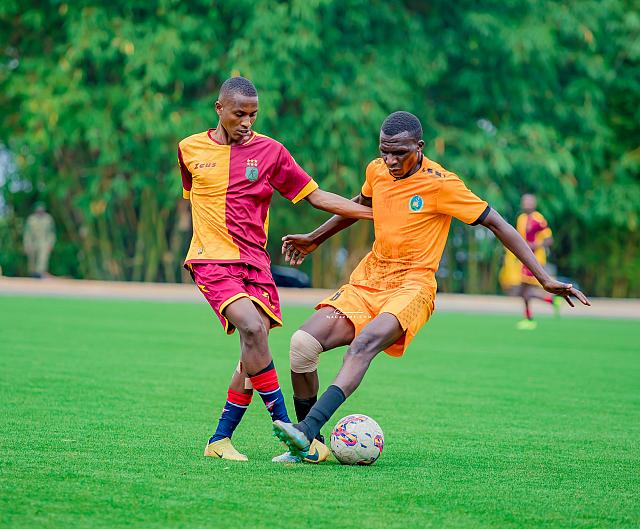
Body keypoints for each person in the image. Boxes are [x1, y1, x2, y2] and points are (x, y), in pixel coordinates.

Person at [272, 111, 590, 461]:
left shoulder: (442, 184)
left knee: (363, 345)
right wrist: (315, 238)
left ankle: (306, 428)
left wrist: (544, 278)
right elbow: (359, 205)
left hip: (413, 286)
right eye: (384, 152)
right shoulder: (376, 171)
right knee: (302, 345)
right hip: (369, 279)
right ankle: (309, 447)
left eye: (400, 153)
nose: (390, 161)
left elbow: (497, 223)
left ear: (419, 147)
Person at [178, 76, 372, 461]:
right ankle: (293, 432)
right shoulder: (188, 149)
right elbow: (195, 198)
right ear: (219, 109)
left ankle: (219, 440)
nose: (247, 122)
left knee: (254, 351)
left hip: (256, 264)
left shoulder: (271, 151)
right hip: (211, 261)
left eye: (253, 114)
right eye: (239, 114)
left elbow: (316, 196)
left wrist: (372, 214)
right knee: (252, 329)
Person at [514, 194, 560, 330]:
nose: (526, 204)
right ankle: (548, 302)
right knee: (523, 290)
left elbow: (549, 240)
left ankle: (531, 317)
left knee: (525, 290)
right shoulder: (521, 219)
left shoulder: (538, 219)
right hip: (524, 259)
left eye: (529, 202)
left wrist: (535, 245)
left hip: (535, 260)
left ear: (534, 204)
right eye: (524, 202)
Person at [23, 202, 56, 278]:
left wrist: (51, 243)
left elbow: (51, 233)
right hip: (33, 242)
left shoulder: (48, 219)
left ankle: (40, 273)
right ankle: (33, 273)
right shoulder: (31, 219)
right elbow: (27, 233)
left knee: (43, 258)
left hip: (44, 242)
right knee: (32, 259)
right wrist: (26, 244)